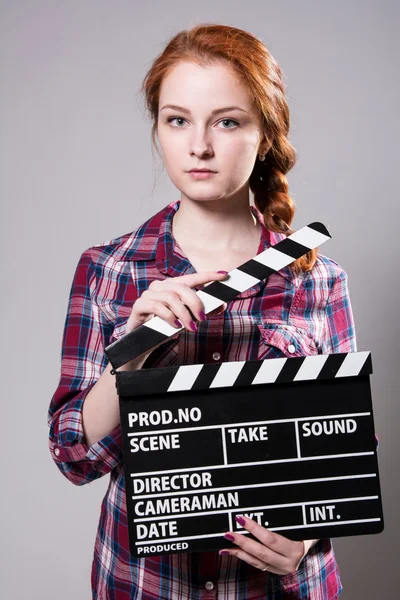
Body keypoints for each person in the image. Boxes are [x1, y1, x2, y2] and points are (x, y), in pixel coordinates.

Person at [47, 23, 356, 599]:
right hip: (146, 582)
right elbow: (72, 456)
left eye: (228, 121)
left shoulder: (318, 279)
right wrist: (133, 354)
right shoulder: (109, 269)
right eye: (178, 119)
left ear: (265, 133)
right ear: (159, 128)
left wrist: (310, 540)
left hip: (277, 587)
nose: (200, 146)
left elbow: (344, 455)